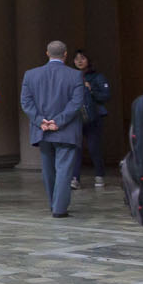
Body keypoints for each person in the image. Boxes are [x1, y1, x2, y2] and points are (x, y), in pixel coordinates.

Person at [19, 40, 88, 219]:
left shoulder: (31, 75)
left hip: (42, 129)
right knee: (64, 169)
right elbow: (76, 103)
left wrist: (40, 120)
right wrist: (59, 121)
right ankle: (59, 208)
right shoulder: (75, 76)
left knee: (48, 169)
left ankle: (53, 203)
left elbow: (26, 102)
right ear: (65, 55)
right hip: (66, 129)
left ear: (47, 53)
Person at [69, 49, 112, 189]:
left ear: (89, 60)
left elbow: (105, 96)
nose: (79, 61)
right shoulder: (71, 77)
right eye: (76, 59)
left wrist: (91, 90)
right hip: (76, 116)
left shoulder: (98, 77)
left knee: (94, 147)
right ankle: (75, 178)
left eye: (82, 58)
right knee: (76, 148)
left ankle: (99, 175)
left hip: (94, 116)